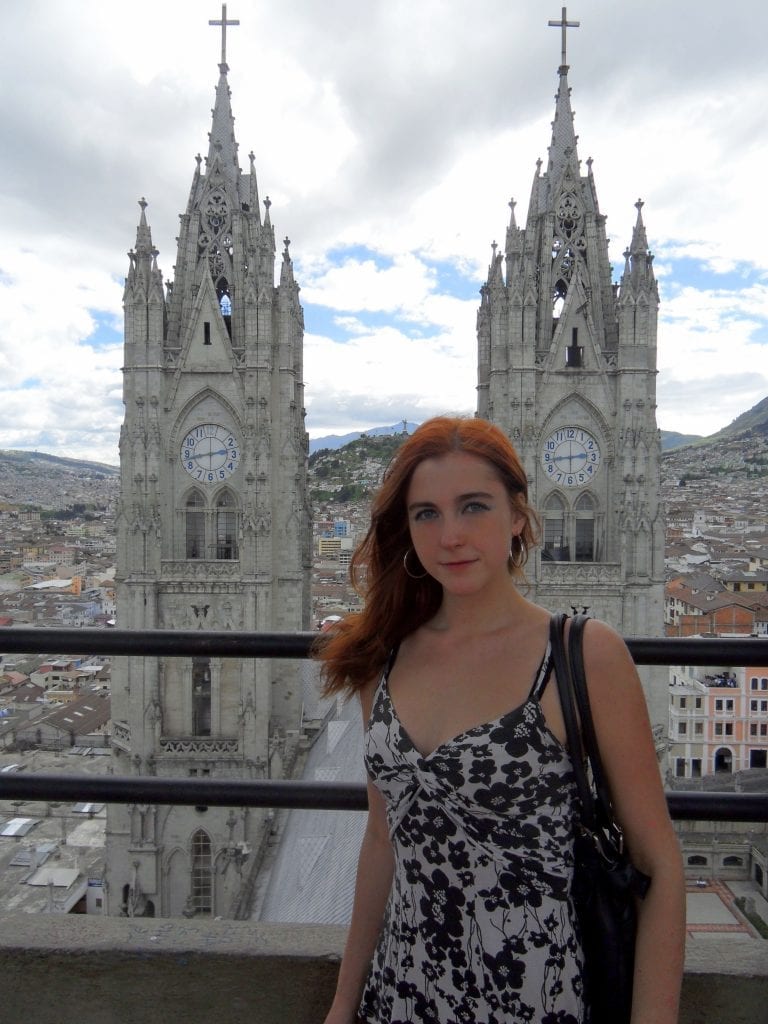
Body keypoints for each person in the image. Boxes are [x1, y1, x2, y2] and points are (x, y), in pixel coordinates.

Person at [316, 416, 685, 1024]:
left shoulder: (584, 655)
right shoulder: (379, 660)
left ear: (517, 516)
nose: (450, 536)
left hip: (534, 1000)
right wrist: (342, 1001)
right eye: (426, 514)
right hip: (402, 997)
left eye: (474, 507)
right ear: (405, 530)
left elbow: (658, 863)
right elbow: (384, 840)